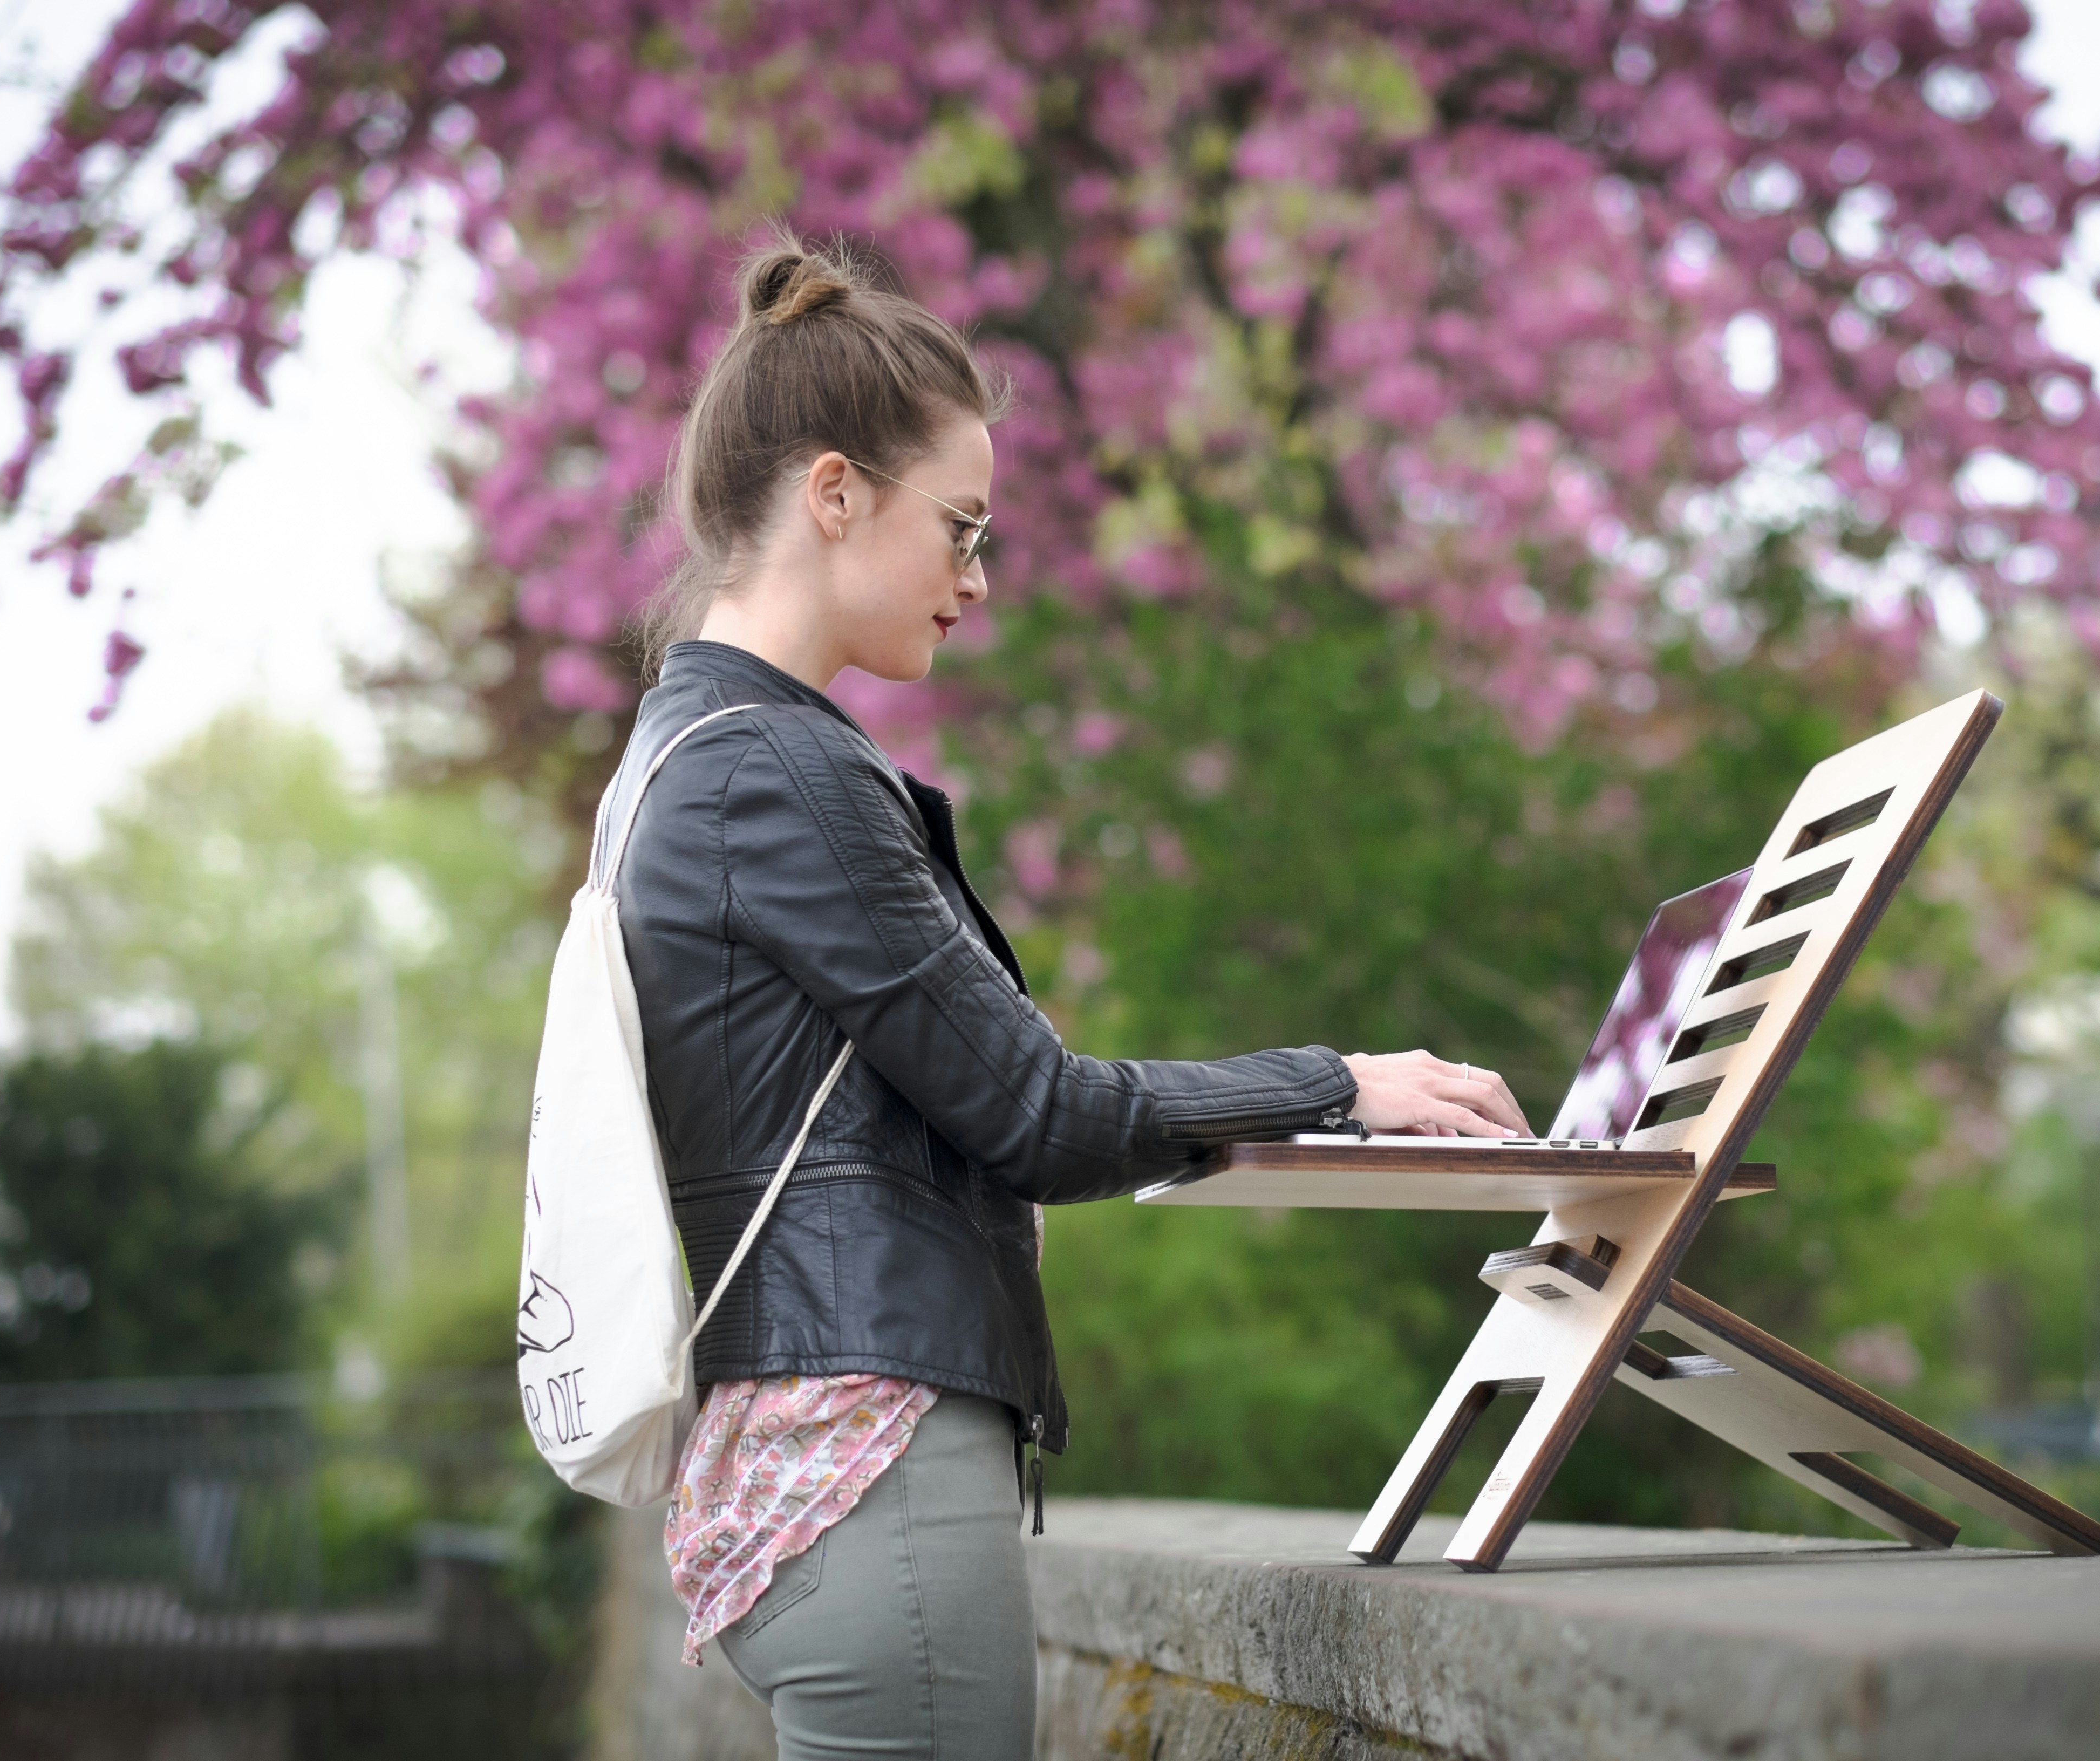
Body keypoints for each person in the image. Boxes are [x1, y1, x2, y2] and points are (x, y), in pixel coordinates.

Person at [612, 233, 1530, 1761]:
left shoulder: (675, 757)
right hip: (872, 1479)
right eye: (960, 528)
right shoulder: (779, 770)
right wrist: (1340, 1084)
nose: (977, 580)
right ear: (835, 494)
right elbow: (1035, 1113)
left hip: (801, 1482)